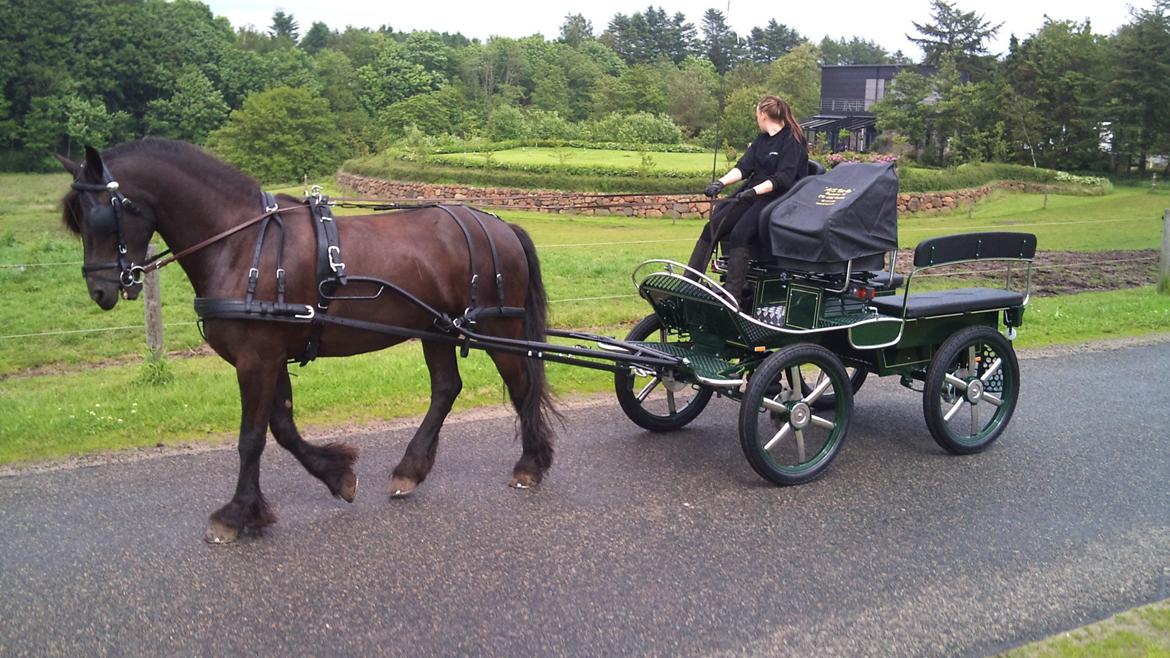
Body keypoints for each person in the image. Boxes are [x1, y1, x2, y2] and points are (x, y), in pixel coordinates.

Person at [687, 95, 809, 307]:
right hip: (754, 193)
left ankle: (733, 295)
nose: (757, 119)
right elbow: (744, 167)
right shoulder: (762, 139)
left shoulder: (792, 140)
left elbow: (784, 179)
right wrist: (720, 183)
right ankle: (688, 284)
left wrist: (754, 191)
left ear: (763, 115)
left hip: (781, 197)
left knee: (740, 233)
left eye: (756, 115)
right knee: (713, 226)